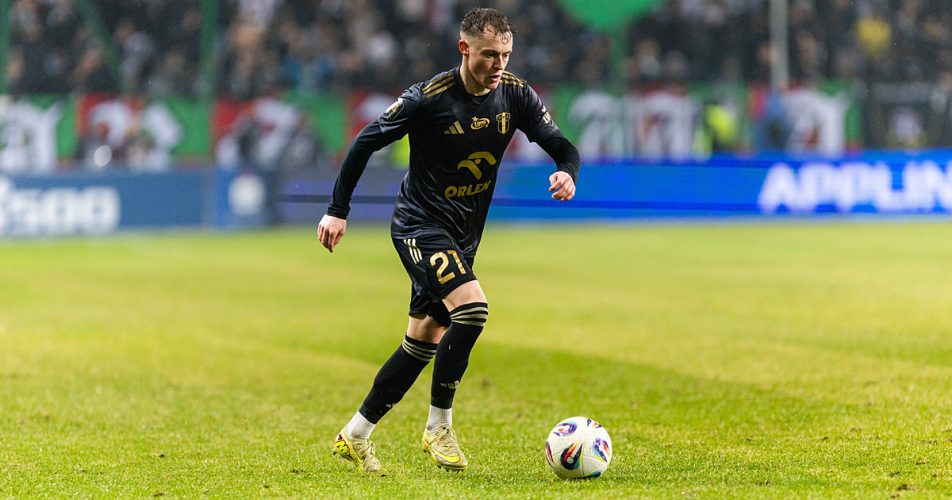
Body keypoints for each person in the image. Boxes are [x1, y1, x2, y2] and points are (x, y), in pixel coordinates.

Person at [318, 7, 580, 475]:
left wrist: (567, 172)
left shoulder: (515, 94)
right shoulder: (428, 98)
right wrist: (338, 210)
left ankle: (355, 433)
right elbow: (364, 142)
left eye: (505, 55)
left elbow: (561, 144)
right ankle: (439, 426)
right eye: (489, 54)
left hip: (463, 235)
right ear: (464, 48)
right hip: (418, 226)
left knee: (423, 339)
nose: (498, 64)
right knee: (473, 309)